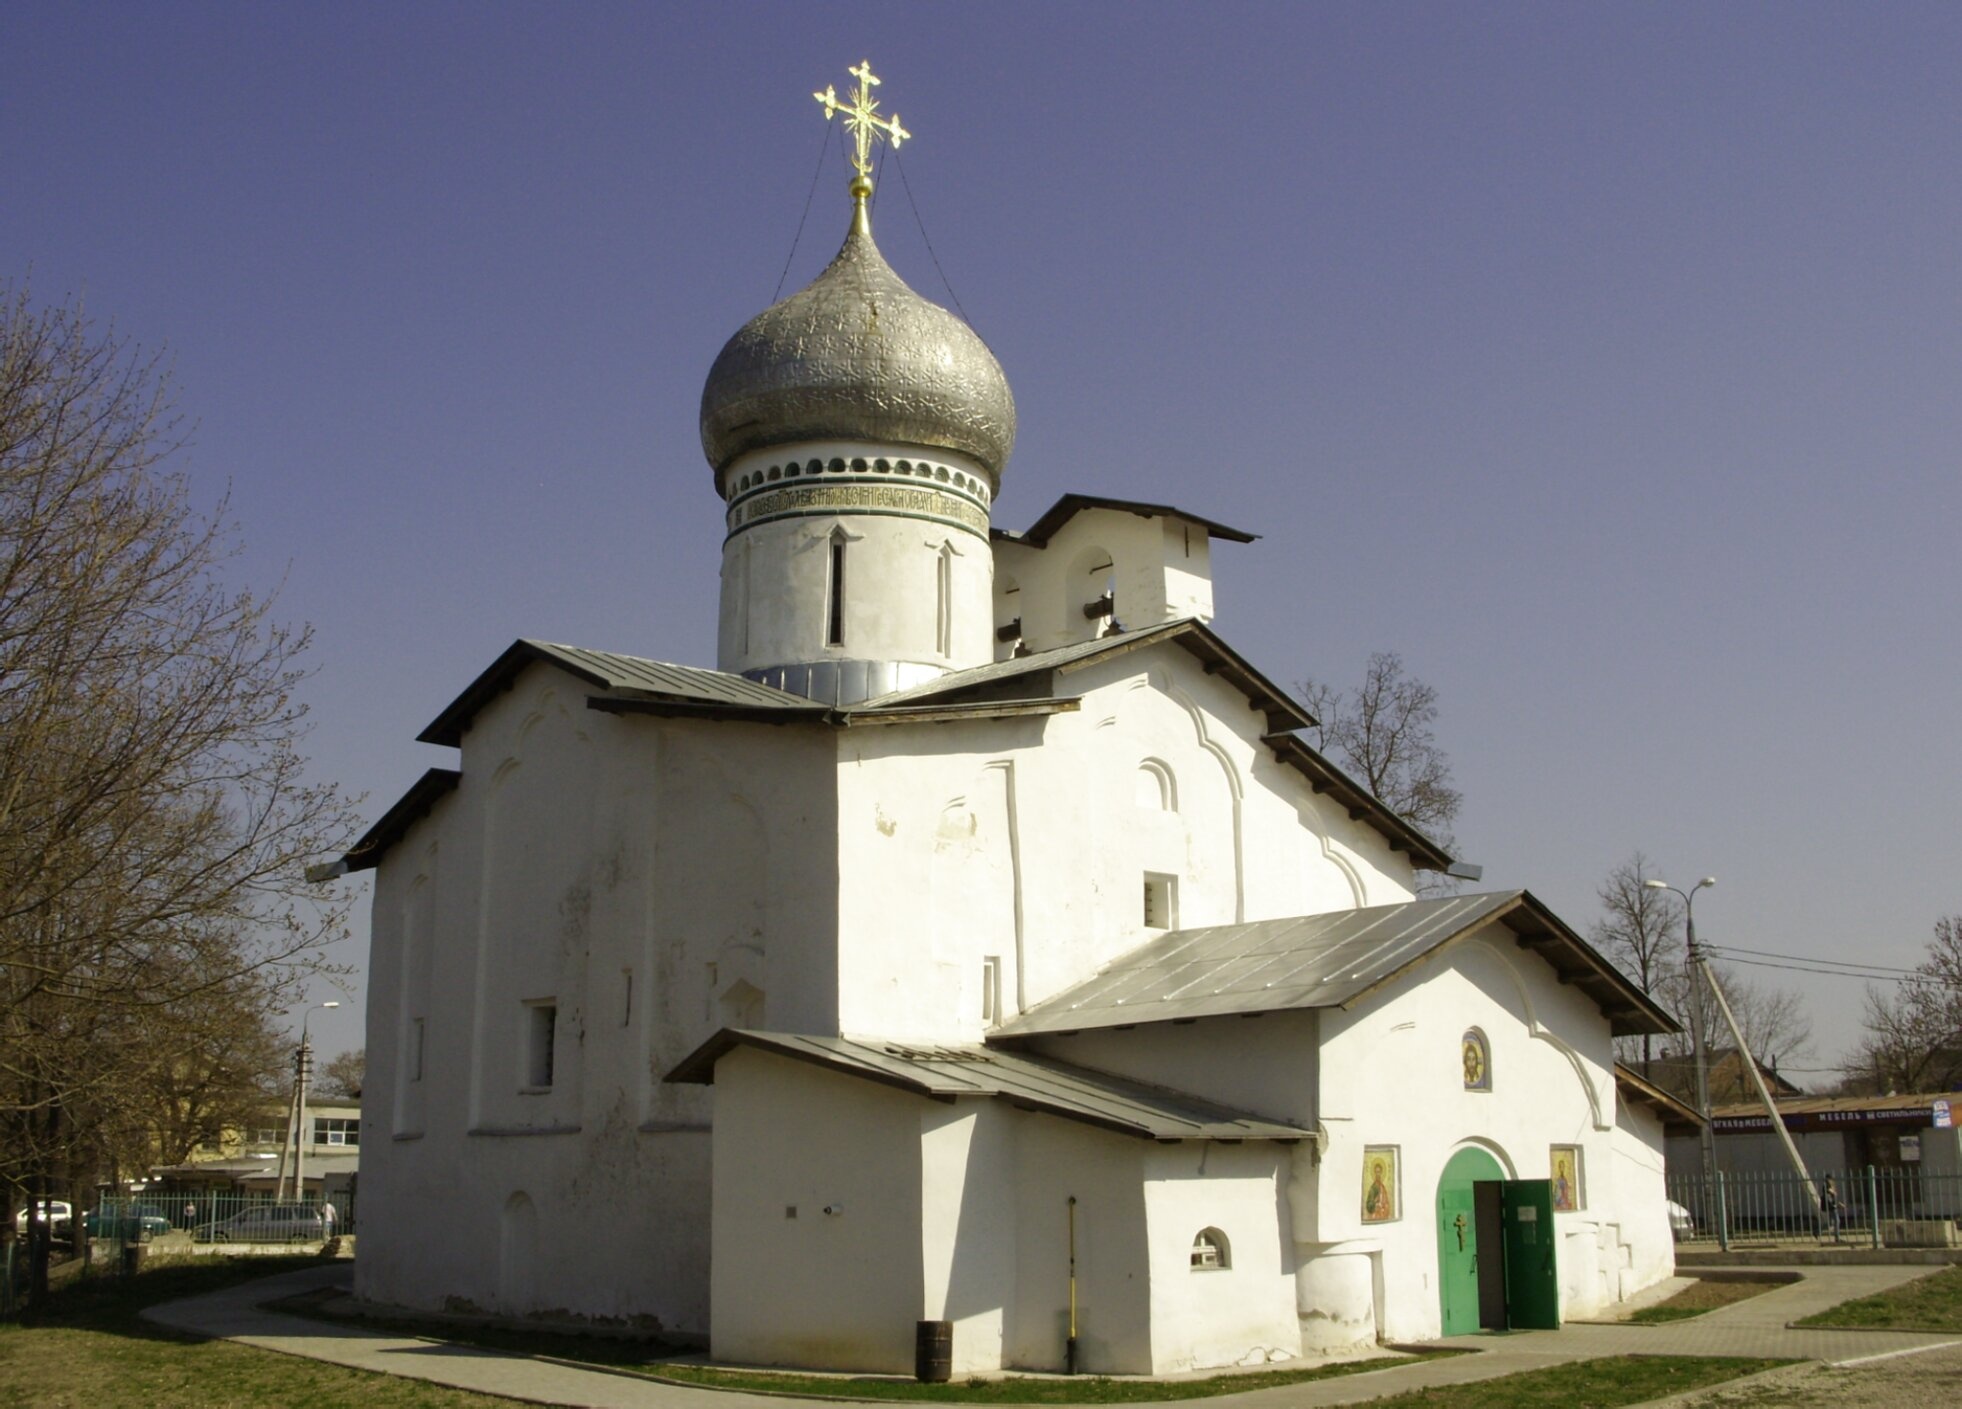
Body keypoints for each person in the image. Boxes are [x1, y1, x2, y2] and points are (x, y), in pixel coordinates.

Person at [1820, 1175, 1841, 1244]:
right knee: (1836, 1221)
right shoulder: (1826, 1186)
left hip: (1832, 1206)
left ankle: (1817, 1231)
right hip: (1831, 1206)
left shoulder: (1830, 1186)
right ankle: (1837, 1238)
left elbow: (1833, 1195)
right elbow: (1830, 1194)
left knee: (1830, 1223)